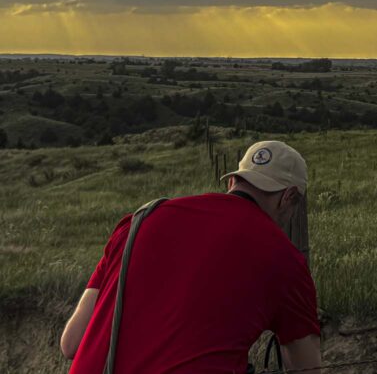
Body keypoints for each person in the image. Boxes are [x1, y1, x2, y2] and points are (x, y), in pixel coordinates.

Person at [60, 140, 322, 373]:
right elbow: (306, 366)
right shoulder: (284, 258)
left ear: (233, 181)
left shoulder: (140, 221)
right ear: (289, 197)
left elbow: (71, 343)